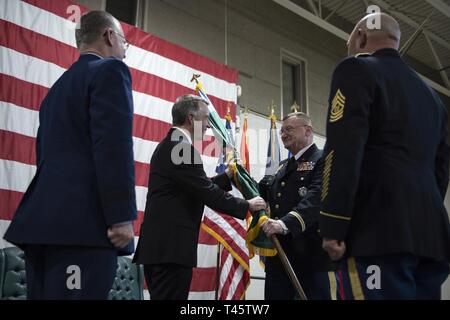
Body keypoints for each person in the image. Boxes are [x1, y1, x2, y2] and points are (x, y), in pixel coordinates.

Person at [4, 11, 136, 299]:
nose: (125, 51)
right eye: (125, 42)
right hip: (83, 230)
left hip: (42, 228)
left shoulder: (57, 89)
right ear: (109, 36)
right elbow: (113, 147)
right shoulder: (110, 72)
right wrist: (121, 215)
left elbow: (45, 155)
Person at [320, 12, 450, 300]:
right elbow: (441, 170)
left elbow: (343, 149)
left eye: (350, 40)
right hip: (430, 237)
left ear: (361, 37)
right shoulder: (432, 98)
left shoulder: (355, 70)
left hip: (376, 232)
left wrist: (333, 224)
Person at [133, 94, 267, 300]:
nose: (208, 125)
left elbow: (195, 186)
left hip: (163, 248)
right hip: (170, 250)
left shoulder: (173, 145)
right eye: (205, 119)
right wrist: (246, 205)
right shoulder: (180, 148)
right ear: (190, 118)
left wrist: (227, 177)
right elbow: (206, 192)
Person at [259, 112, 336, 300]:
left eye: (289, 129)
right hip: (280, 254)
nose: (283, 134)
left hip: (309, 255)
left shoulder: (324, 160)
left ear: (307, 131)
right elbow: (264, 191)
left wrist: (284, 224)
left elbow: (316, 200)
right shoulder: (283, 166)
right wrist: (237, 175)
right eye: (282, 131)